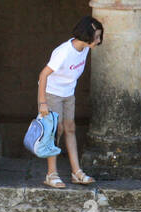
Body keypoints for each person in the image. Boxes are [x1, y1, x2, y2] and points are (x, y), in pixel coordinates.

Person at [37, 15, 103, 188]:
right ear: (86, 36)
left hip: (68, 93)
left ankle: (76, 171)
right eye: (96, 37)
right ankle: (51, 174)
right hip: (53, 93)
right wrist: (42, 102)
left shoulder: (85, 49)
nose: (99, 40)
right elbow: (43, 75)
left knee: (70, 127)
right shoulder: (64, 52)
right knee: (55, 130)